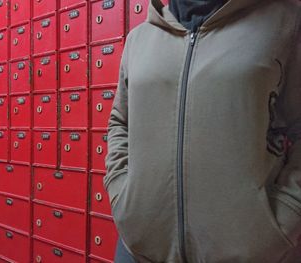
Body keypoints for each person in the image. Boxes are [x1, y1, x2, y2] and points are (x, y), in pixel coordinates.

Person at [104, 0, 301, 262]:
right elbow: (120, 120)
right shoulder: (139, 39)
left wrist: (285, 215)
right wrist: (121, 193)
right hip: (139, 247)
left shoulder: (286, 22)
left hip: (252, 253)